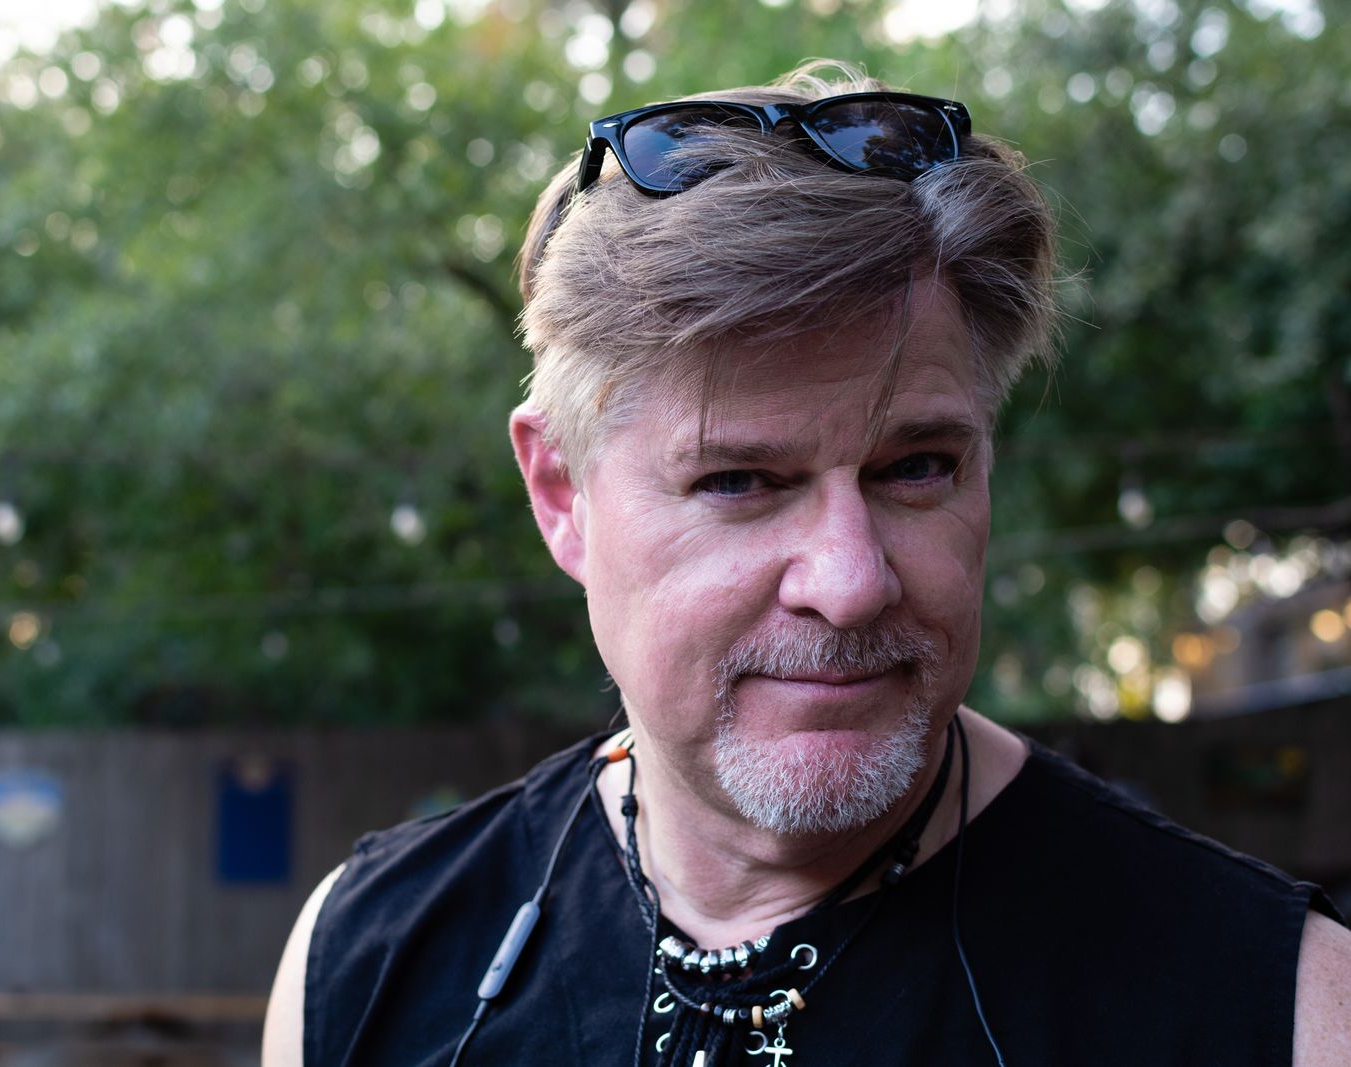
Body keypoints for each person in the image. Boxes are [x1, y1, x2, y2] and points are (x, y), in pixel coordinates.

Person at [264, 62, 1351, 1066]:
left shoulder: (1283, 1010)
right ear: (562, 495)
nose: (850, 581)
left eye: (915, 467)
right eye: (739, 480)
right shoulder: (360, 967)